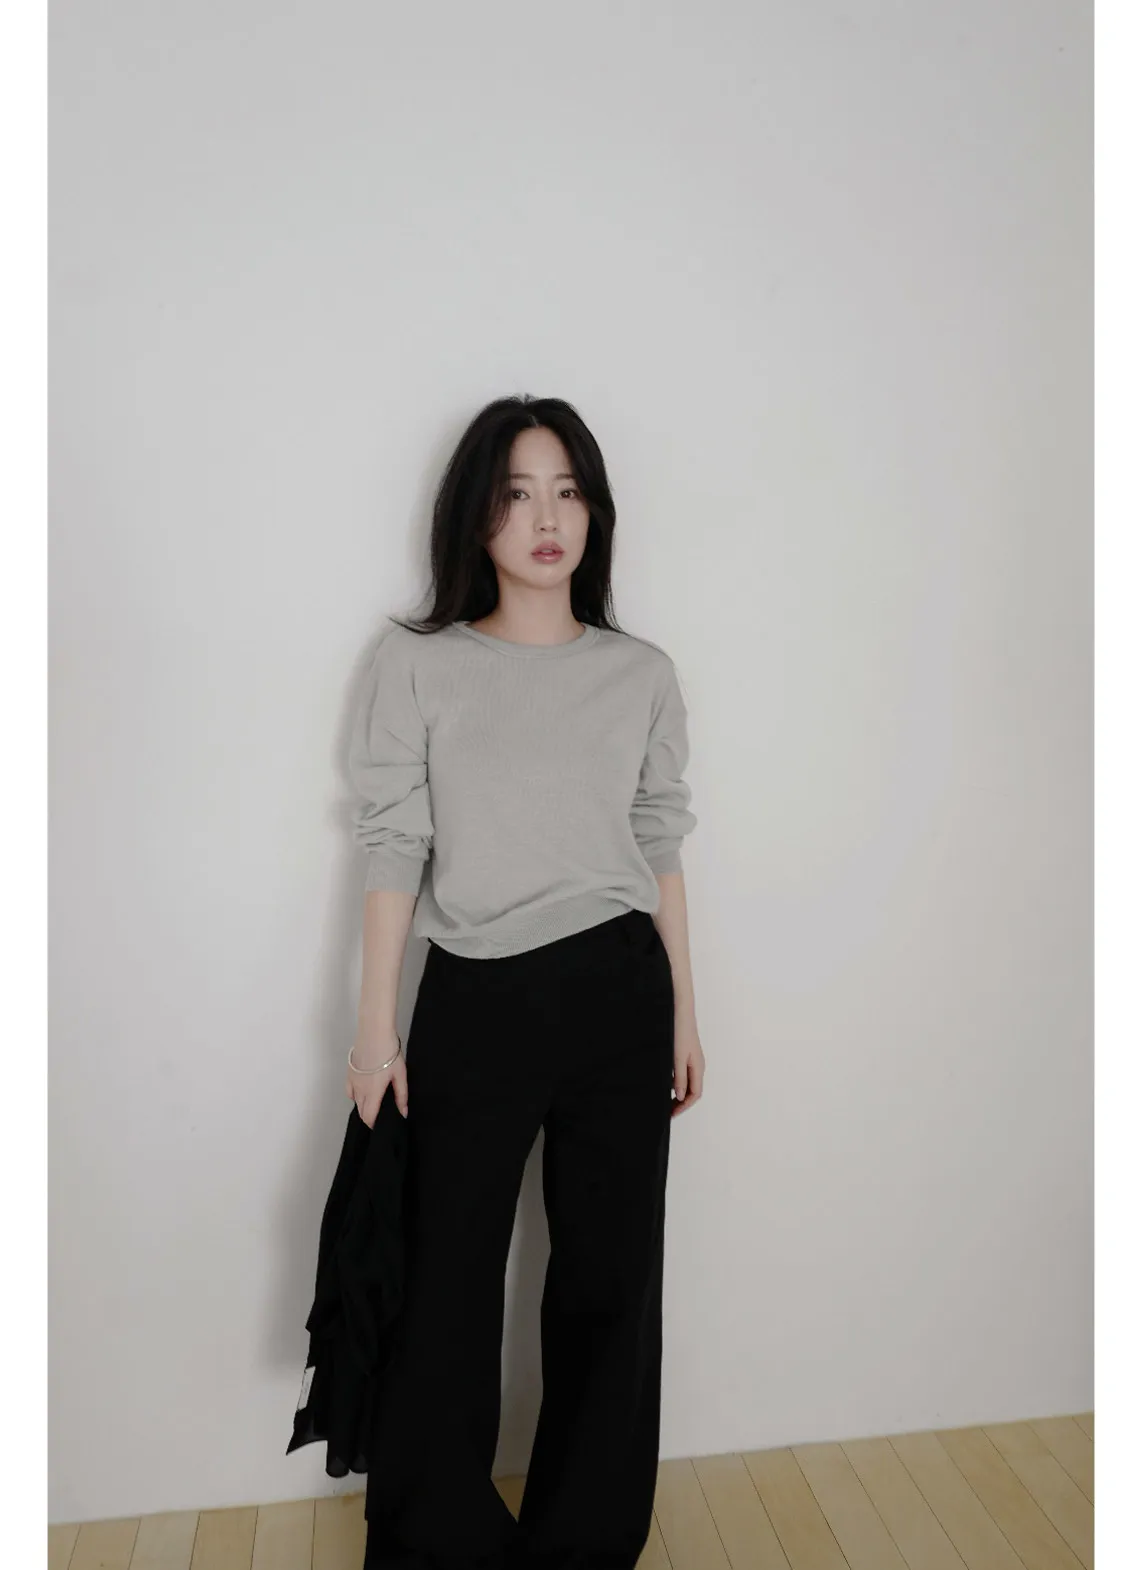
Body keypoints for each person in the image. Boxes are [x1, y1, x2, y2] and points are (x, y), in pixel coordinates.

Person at [346, 394, 703, 1570]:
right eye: (515, 493)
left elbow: (657, 842)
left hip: (619, 993)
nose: (545, 518)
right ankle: (438, 1545)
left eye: (566, 492)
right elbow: (392, 844)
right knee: (445, 1285)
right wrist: (375, 1029)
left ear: (594, 513)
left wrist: (685, 1012)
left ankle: (581, 1547)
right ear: (475, 515)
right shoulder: (417, 663)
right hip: (476, 996)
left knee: (610, 1286)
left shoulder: (639, 672)